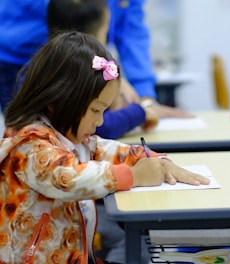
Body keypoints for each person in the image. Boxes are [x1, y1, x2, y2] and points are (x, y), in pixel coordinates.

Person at [0, 31, 210, 263]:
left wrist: (148, 157)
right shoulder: (29, 144)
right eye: (95, 110)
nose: (100, 122)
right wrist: (133, 176)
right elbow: (67, 177)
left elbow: (104, 149)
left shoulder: (70, 137)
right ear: (56, 100)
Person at [0, 0, 192, 119]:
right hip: (24, 58)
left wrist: (145, 98)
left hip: (83, 56)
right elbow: (74, 13)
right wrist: (108, 72)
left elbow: (131, 30)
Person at [46, 0, 160, 139]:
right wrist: (140, 112)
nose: (98, 120)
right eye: (105, 34)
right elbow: (101, 128)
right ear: (92, 38)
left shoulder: (46, 67)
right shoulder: (75, 77)